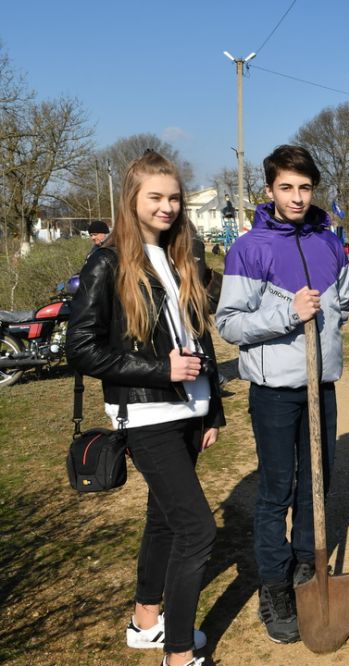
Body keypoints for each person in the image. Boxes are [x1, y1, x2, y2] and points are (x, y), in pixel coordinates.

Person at [66, 151, 225, 666]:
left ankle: (146, 622)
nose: (168, 206)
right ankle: (179, 655)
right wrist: (161, 372)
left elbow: (198, 336)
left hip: (188, 410)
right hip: (147, 415)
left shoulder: (183, 255)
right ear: (131, 199)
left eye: (174, 197)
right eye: (155, 196)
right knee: (198, 529)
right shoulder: (108, 261)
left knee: (163, 519)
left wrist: (211, 411)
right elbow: (82, 348)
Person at [215, 145, 349, 644]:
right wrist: (288, 313)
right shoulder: (249, 248)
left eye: (305, 187)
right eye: (286, 188)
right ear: (269, 190)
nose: (297, 197)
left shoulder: (330, 242)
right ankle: (274, 586)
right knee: (276, 491)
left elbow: (344, 302)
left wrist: (327, 329)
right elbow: (228, 325)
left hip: (323, 385)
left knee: (318, 481)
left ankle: (303, 567)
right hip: (274, 392)